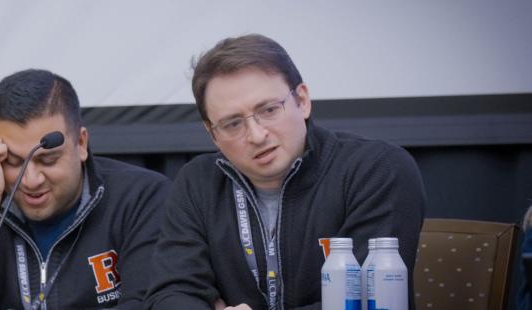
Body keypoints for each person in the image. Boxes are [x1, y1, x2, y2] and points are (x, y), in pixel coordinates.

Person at [146, 34, 425, 309]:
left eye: (268, 110)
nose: (256, 135)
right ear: (212, 134)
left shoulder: (377, 169)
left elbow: (367, 300)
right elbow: (170, 294)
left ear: (302, 100)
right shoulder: (198, 183)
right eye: (232, 124)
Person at [0, 69, 169, 309]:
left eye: (48, 160)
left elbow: (149, 304)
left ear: (81, 144)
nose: (31, 180)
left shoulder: (140, 197)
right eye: (12, 162)